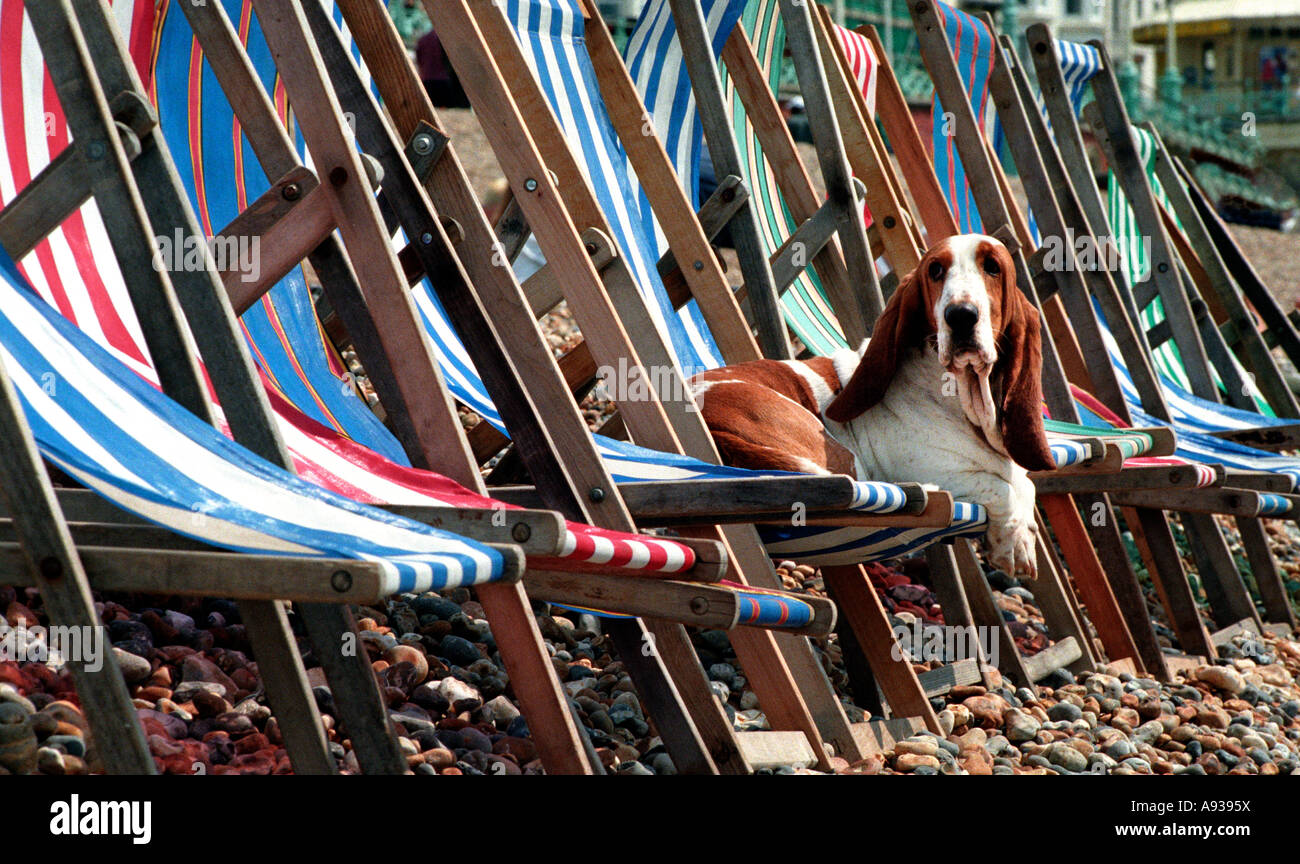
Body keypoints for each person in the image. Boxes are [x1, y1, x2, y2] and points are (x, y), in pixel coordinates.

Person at [417, 28, 469, 108]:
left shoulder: (423, 39)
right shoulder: (445, 39)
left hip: (426, 80)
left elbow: (419, 59)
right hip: (443, 80)